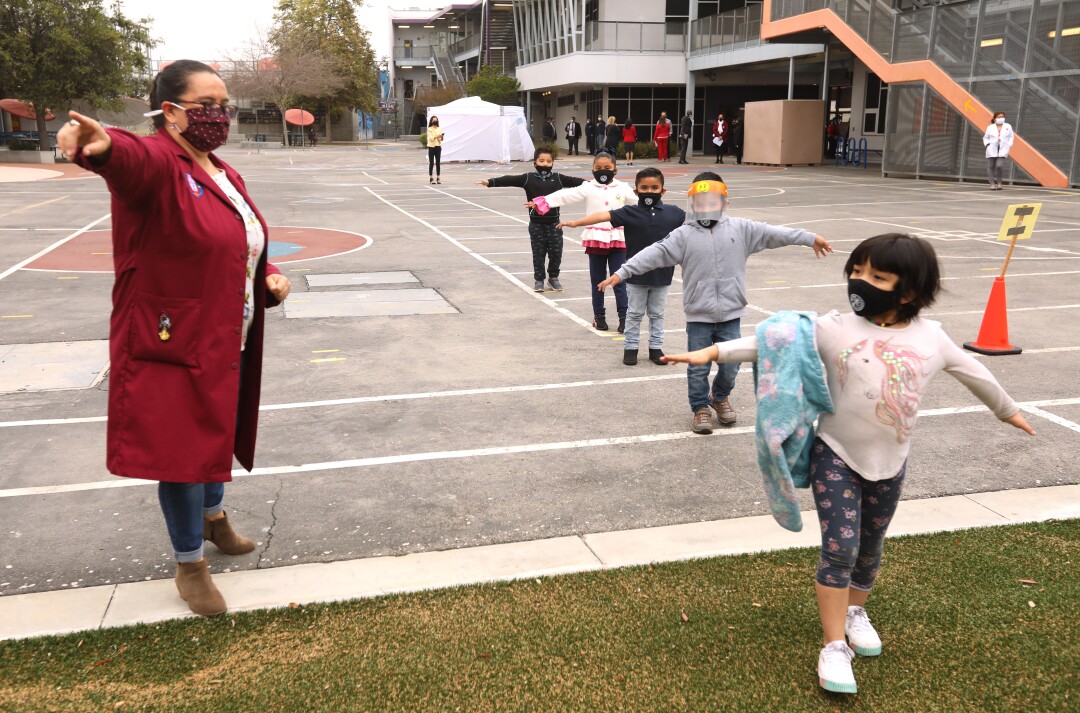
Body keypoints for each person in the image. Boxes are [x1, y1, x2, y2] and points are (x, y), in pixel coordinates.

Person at [663, 233, 1034, 694]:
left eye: (877, 276)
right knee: (840, 546)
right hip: (835, 455)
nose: (861, 282)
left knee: (870, 546)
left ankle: (856, 610)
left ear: (910, 291)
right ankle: (834, 645)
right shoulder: (836, 327)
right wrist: (713, 352)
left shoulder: (931, 338)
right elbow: (775, 340)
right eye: (857, 271)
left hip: (891, 462)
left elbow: (975, 372)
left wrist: (1008, 410)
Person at [56, 60, 292, 617]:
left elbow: (240, 239)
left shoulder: (222, 170)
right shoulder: (159, 160)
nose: (220, 115)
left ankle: (213, 520)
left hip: (225, 332)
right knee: (183, 453)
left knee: (217, 430)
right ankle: (190, 565)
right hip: (172, 338)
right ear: (171, 112)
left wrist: (267, 277)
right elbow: (129, 162)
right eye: (207, 105)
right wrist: (102, 143)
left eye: (224, 104)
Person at [598, 173, 833, 433]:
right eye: (699, 202)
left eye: (711, 202)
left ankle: (719, 397)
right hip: (699, 314)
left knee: (731, 364)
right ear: (692, 204)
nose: (705, 207)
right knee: (698, 367)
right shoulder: (683, 235)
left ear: (724, 203)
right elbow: (654, 253)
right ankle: (700, 408)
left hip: (731, 312)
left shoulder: (742, 229)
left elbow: (775, 233)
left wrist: (809, 238)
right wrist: (622, 272)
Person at [558, 167, 684, 365]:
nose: (649, 191)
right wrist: (576, 223)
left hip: (663, 276)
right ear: (635, 191)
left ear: (663, 191)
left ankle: (656, 348)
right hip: (635, 276)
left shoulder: (674, 213)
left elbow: (696, 225)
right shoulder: (630, 212)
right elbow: (602, 216)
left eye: (654, 187)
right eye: (644, 188)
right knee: (633, 313)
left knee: (658, 314)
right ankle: (631, 348)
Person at [530, 152, 637, 332]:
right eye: (598, 168)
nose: (603, 171)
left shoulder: (623, 188)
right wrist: (544, 202)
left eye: (607, 168)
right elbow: (566, 195)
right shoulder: (588, 187)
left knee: (620, 280)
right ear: (593, 170)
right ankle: (599, 317)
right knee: (597, 281)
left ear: (615, 170)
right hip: (595, 239)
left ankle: (624, 317)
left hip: (618, 239)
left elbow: (638, 203)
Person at [478, 146, 585, 292]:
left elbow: (578, 182)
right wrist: (491, 182)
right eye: (541, 161)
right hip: (536, 225)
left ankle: (553, 278)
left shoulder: (558, 178)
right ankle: (539, 280)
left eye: (548, 161)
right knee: (538, 254)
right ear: (535, 163)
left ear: (553, 163)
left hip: (555, 224)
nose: (545, 164)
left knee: (556, 253)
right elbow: (510, 179)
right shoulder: (529, 178)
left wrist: (597, 184)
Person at [983, 111, 1014, 190]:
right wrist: (987, 144)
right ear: (994, 118)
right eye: (999, 117)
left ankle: (999, 182)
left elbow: (1011, 137)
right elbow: (985, 137)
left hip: (1003, 149)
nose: (1001, 118)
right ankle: (992, 184)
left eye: (1002, 117)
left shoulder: (1008, 126)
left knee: (999, 165)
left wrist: (1009, 145)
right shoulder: (990, 127)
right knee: (991, 166)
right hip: (991, 148)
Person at [427, 115, 444, 184]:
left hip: (438, 146)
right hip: (431, 147)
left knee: (438, 163)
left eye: (436, 120)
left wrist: (441, 137)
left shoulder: (439, 129)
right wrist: (438, 136)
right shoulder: (429, 129)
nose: (435, 121)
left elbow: (440, 139)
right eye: (434, 120)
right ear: (431, 121)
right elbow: (431, 138)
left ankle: (438, 177)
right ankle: (431, 177)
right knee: (431, 163)